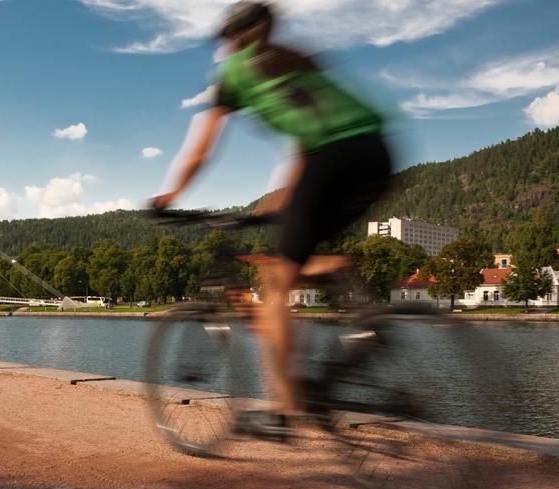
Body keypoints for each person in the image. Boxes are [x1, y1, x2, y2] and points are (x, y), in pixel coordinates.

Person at [152, 1, 392, 438]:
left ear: (231, 40)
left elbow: (201, 150)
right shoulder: (293, 61)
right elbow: (309, 138)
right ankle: (361, 309)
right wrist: (284, 198)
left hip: (333, 158)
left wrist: (169, 196)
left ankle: (281, 411)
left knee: (277, 283)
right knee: (302, 254)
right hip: (376, 155)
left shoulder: (236, 71)